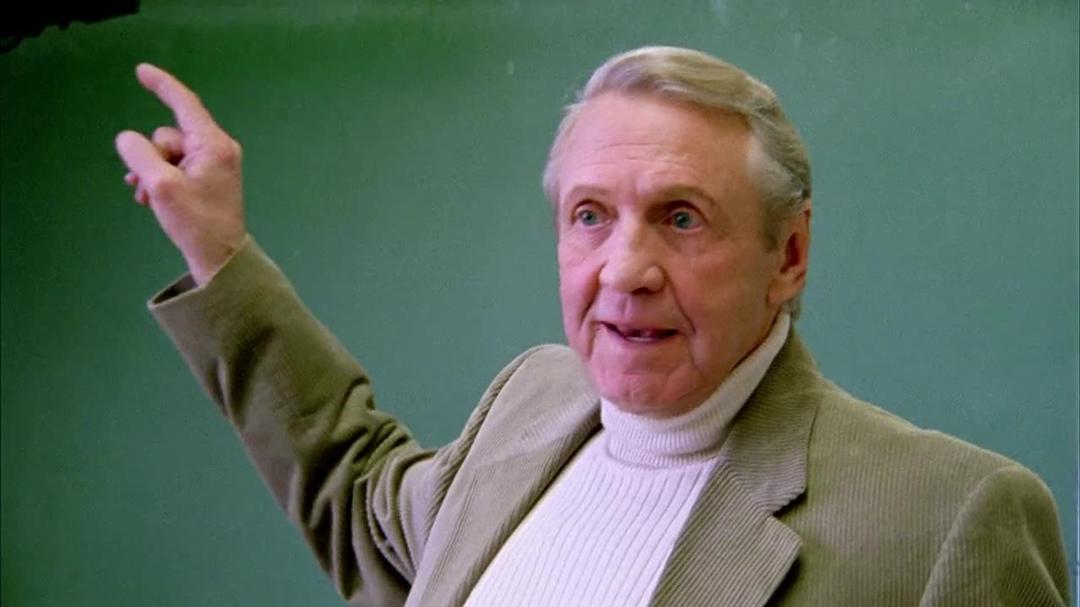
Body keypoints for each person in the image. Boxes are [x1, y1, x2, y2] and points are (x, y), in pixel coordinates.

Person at [116, 47, 1069, 606]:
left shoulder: (951, 519)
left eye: (681, 217)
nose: (624, 270)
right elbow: (361, 495)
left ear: (789, 255)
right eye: (590, 215)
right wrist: (220, 253)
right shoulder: (532, 399)